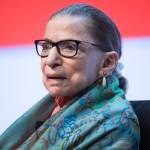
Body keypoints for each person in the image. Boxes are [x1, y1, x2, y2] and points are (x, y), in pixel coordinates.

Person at [0, 3, 140, 149]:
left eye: (69, 47)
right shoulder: (54, 107)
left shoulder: (115, 124)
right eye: (46, 47)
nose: (50, 60)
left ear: (107, 62)